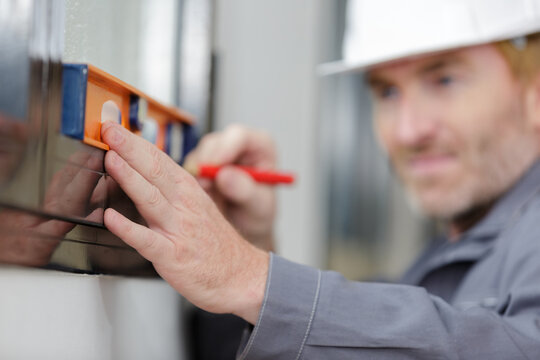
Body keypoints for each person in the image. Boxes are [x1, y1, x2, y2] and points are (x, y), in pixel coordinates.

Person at [100, 0, 540, 358]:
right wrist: (243, 249)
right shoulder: (443, 263)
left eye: (444, 79)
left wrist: (250, 276)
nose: (408, 131)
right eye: (386, 91)